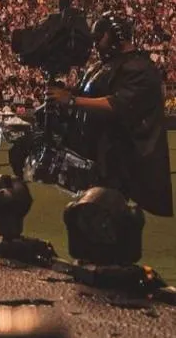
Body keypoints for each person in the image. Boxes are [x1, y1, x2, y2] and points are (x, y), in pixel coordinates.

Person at [47, 11, 173, 216]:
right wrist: (62, 93)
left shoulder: (140, 68)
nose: (96, 43)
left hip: (121, 162)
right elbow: (83, 93)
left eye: (100, 36)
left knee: (107, 218)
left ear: (116, 36)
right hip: (96, 158)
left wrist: (71, 100)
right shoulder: (100, 66)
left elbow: (118, 104)